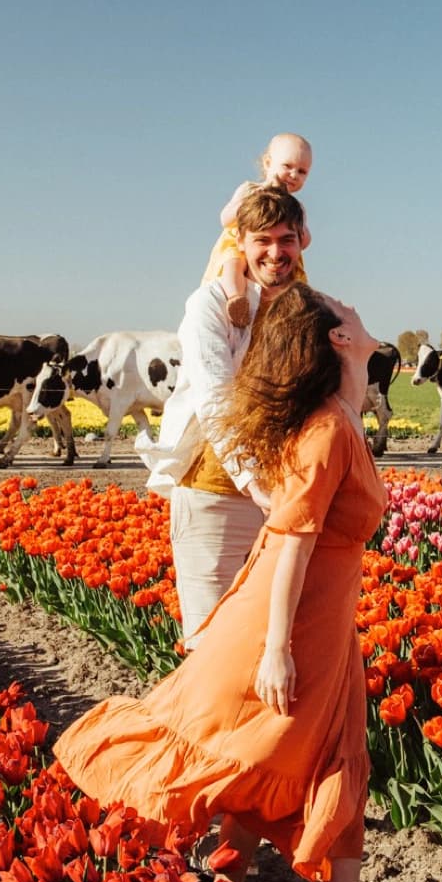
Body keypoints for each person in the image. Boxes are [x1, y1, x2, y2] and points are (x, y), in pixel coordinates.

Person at [55, 282, 387, 882]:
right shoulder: (325, 430)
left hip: (324, 626)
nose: (354, 305)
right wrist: (275, 650)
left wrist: (355, 361)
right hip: (283, 624)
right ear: (339, 340)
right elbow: (292, 542)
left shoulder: (342, 408)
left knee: (321, 767)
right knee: (223, 749)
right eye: (346, 312)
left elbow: (350, 400)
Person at [138, 186, 307, 649]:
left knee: (271, 647)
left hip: (283, 497)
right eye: (263, 241)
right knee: (212, 647)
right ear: (241, 242)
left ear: (300, 242)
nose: (276, 253)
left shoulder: (304, 309)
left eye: (286, 240)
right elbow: (217, 402)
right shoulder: (210, 306)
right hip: (216, 492)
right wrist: (257, 487)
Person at [203, 133, 313, 328]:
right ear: (268, 163)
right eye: (287, 166)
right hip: (240, 240)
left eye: (302, 171)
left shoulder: (296, 206)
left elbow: (305, 240)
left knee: (291, 282)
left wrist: (297, 233)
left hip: (274, 250)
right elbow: (225, 218)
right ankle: (236, 299)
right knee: (232, 263)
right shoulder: (249, 189)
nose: (294, 175)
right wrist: (252, 203)